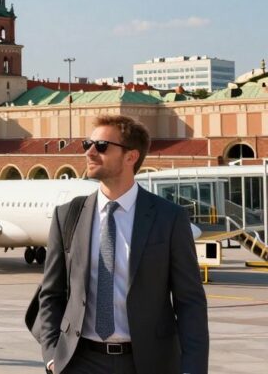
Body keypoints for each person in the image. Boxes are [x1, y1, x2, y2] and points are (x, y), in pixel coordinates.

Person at [34, 115, 209, 373]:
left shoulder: (168, 218)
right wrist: (51, 354)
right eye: (87, 144)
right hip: (80, 361)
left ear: (131, 157)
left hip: (148, 363)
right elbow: (50, 294)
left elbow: (190, 302)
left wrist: (193, 368)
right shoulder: (67, 215)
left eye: (101, 146)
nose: (90, 152)